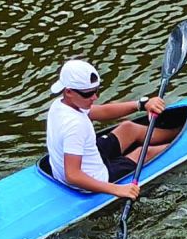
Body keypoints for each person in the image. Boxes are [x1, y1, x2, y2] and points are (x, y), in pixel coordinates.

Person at [45, 59, 178, 198]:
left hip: (85, 160)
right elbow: (72, 175)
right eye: (88, 93)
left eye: (96, 91)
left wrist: (140, 105)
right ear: (69, 91)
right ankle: (182, 141)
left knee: (128, 127)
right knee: (143, 152)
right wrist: (116, 189)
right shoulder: (75, 126)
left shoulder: (60, 105)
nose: (94, 97)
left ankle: (176, 133)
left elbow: (102, 111)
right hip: (95, 179)